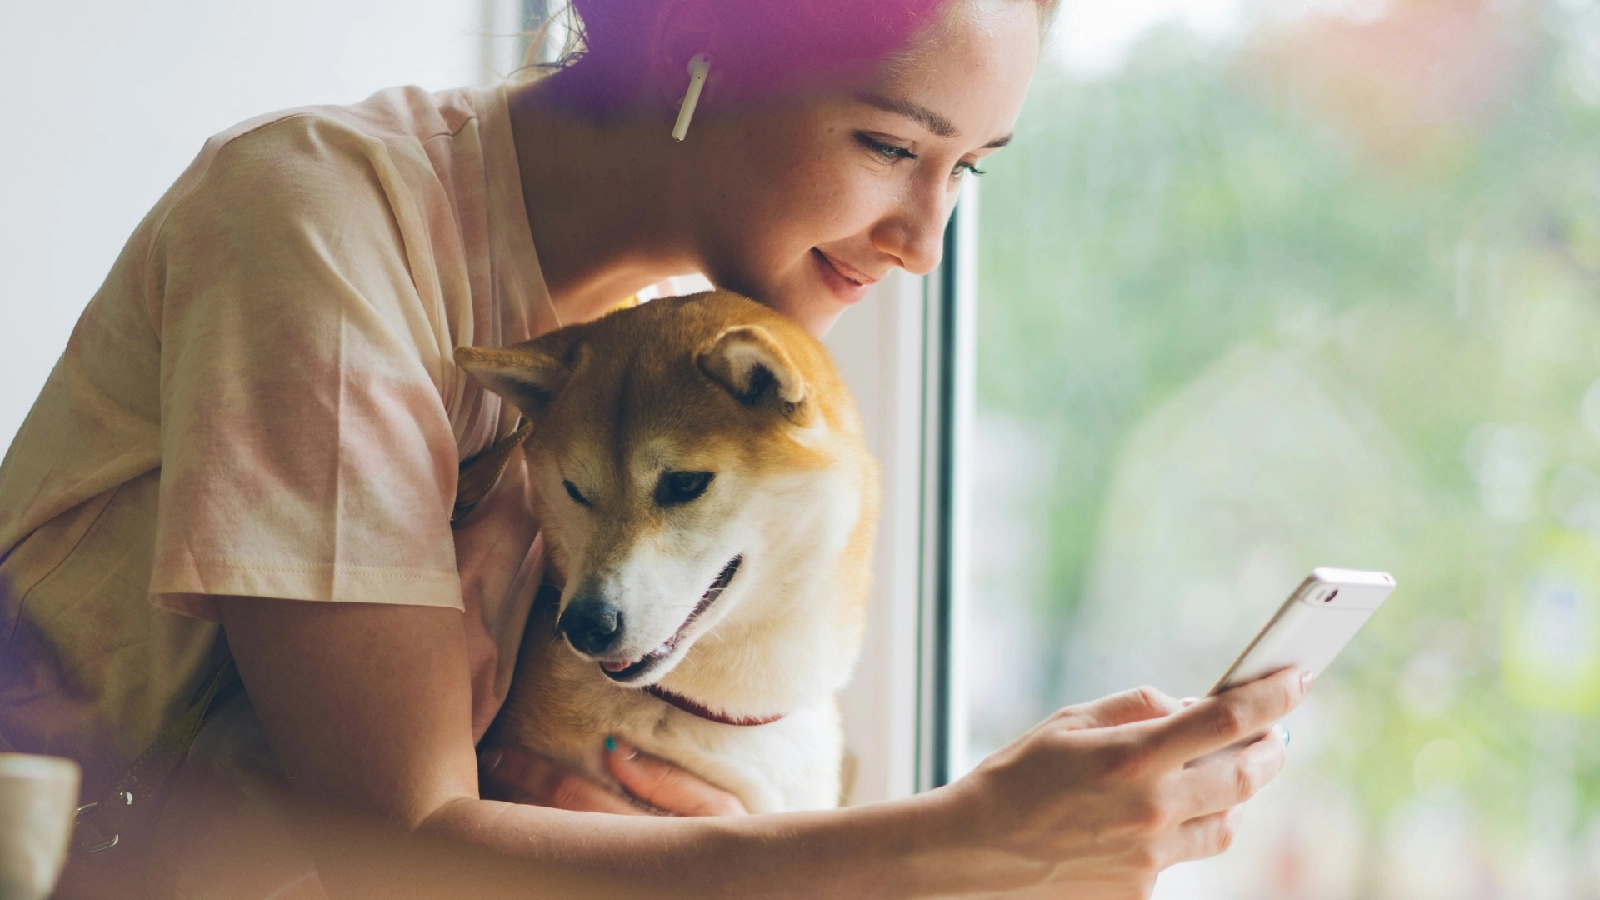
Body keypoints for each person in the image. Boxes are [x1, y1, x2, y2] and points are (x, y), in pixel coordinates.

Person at [0, 0, 1307, 896]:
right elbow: (401, 851)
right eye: (890, 144)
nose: (923, 237)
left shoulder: (655, 369)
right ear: (698, 45)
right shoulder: (324, 227)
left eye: (970, 168)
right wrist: (970, 844)